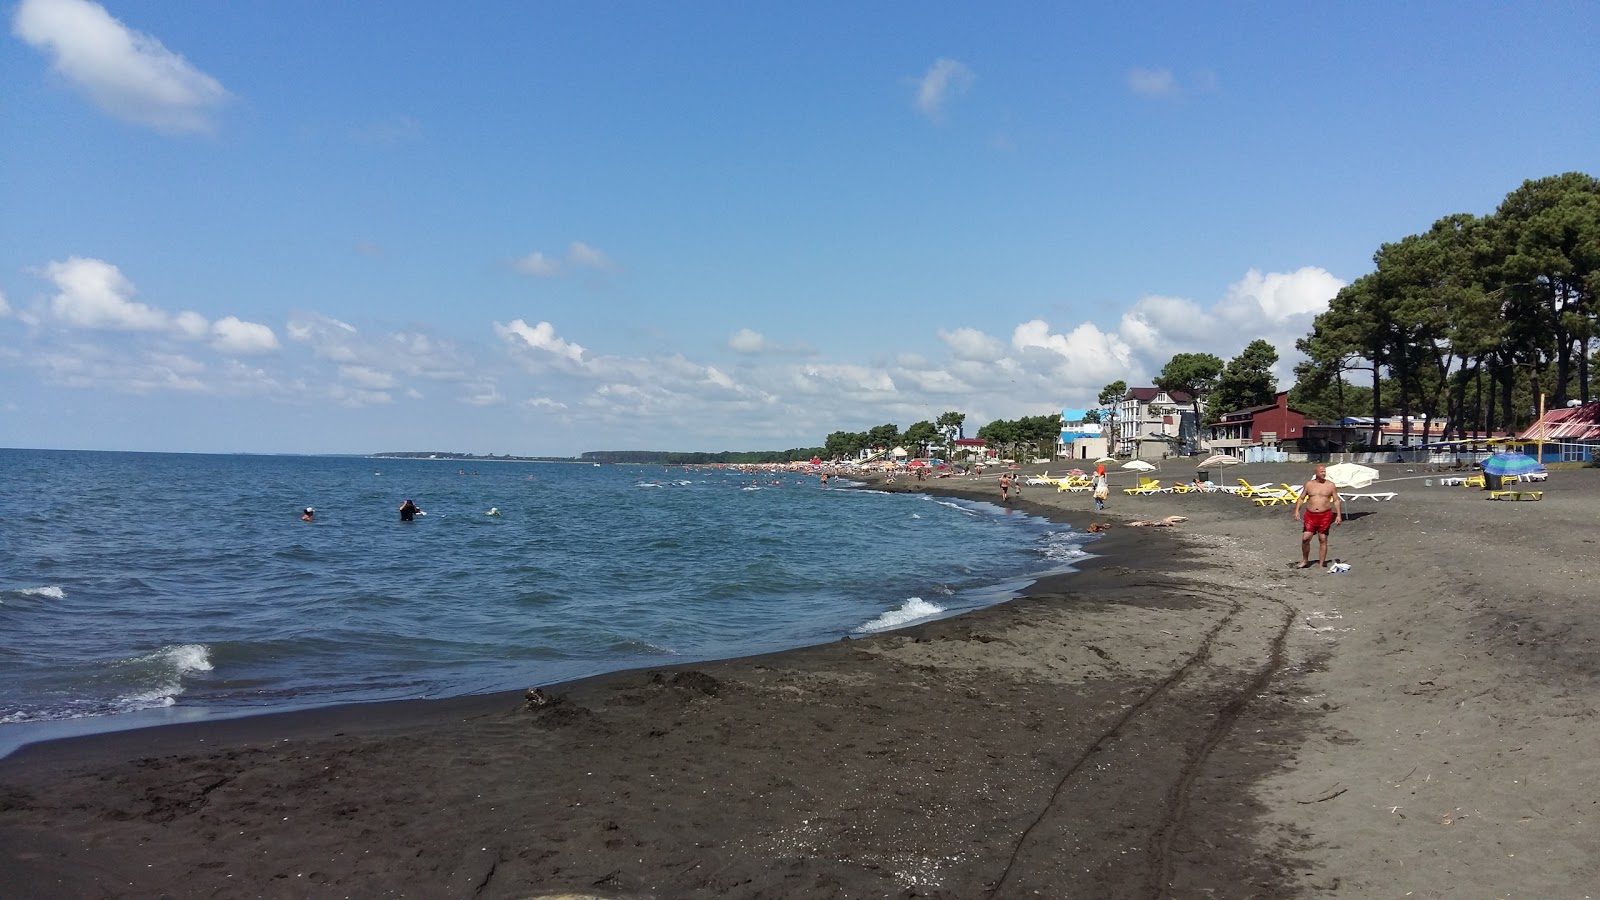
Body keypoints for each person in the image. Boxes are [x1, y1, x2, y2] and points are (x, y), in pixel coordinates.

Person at [1292, 464, 1344, 569]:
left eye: (1324, 471)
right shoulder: (1309, 484)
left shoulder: (1330, 485)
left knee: (1322, 538)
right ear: (1316, 472)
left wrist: (1338, 515)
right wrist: (1297, 511)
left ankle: (1321, 563)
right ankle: (1305, 560)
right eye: (1321, 471)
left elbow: (1336, 500)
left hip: (1325, 515)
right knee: (1305, 538)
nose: (1323, 473)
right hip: (1310, 515)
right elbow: (1301, 498)